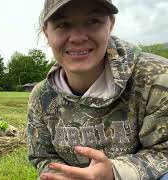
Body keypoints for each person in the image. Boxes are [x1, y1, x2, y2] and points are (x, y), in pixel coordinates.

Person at [27, 0, 168, 179]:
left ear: (111, 24)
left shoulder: (157, 78)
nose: (78, 37)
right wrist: (61, 175)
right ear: (46, 32)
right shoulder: (41, 96)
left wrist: (114, 173)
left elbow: (164, 151)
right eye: (63, 24)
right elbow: (42, 156)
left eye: (93, 21)